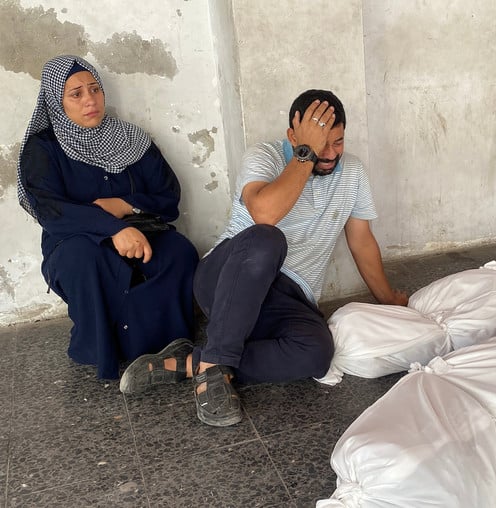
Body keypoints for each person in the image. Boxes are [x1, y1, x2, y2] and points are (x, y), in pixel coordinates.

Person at [120, 89, 408, 427]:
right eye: (320, 143)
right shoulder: (265, 156)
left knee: (317, 353)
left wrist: (388, 299)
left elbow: (361, 241)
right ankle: (214, 369)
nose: (329, 154)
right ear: (293, 136)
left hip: (288, 296)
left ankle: (194, 361)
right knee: (267, 238)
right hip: (230, 274)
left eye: (338, 142)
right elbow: (264, 213)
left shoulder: (354, 173)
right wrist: (306, 154)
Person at [16, 55, 199, 380]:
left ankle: (170, 346)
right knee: (86, 258)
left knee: (179, 251)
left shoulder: (130, 139)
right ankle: (110, 348)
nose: (90, 100)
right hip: (75, 242)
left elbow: (168, 197)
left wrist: (125, 205)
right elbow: (49, 210)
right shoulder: (43, 149)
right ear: (56, 102)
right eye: (76, 94)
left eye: (95, 90)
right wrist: (112, 228)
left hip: (142, 231)